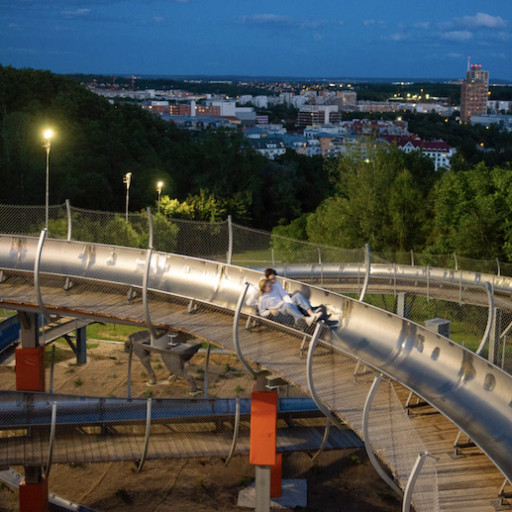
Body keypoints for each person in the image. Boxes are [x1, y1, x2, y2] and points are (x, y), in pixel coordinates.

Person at [264, 268, 331, 323]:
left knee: (297, 296)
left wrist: (289, 296)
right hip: (280, 311)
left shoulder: (276, 284)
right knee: (287, 305)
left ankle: (312, 314)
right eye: (271, 279)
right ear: (266, 278)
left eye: (274, 278)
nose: (273, 281)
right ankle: (305, 319)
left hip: (286, 306)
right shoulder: (265, 289)